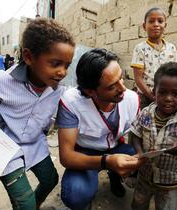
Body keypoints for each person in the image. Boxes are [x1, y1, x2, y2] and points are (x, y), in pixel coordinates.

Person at [0, 18, 75, 210]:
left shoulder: (59, 90)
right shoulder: (2, 82)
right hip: (7, 150)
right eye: (56, 63)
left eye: (67, 65)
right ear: (29, 57)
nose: (62, 72)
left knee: (50, 179)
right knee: (25, 203)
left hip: (35, 145)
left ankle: (35, 206)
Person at [57, 48, 143, 210]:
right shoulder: (71, 102)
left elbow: (140, 135)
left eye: (121, 78)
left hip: (117, 147)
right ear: (90, 91)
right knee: (75, 194)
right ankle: (91, 191)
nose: (123, 88)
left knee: (144, 160)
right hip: (85, 152)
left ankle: (115, 176)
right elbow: (67, 157)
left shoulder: (131, 99)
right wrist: (107, 161)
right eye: (112, 86)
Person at [131, 62, 177, 210]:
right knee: (138, 203)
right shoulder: (146, 114)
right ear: (154, 91)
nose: (168, 98)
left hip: (169, 181)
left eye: (175, 94)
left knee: (167, 207)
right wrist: (139, 152)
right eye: (162, 93)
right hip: (144, 175)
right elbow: (135, 134)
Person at [131, 7, 177, 108]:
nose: (156, 24)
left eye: (160, 21)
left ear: (165, 25)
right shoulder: (140, 48)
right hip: (145, 97)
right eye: (151, 21)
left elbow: (176, 73)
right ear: (144, 26)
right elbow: (138, 78)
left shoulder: (171, 48)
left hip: (166, 96)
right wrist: (152, 96)